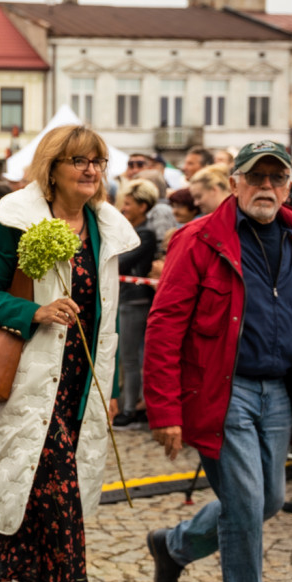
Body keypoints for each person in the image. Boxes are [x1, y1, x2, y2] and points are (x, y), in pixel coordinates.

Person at [0, 125, 136, 582]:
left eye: (98, 161)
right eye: (79, 160)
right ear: (53, 167)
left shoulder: (105, 229)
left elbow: (105, 320)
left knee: (52, 494)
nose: (91, 170)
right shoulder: (18, 218)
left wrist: (109, 389)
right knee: (61, 500)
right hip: (31, 381)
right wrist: (35, 311)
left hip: (83, 384)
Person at [144, 140, 292, 582]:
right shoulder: (201, 239)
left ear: (289, 186)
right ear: (235, 184)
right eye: (257, 178)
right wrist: (163, 410)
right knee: (248, 504)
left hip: (277, 393)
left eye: (278, 179)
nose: (267, 189)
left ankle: (174, 545)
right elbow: (163, 327)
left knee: (268, 499)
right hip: (221, 392)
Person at [114, 179, 159, 430]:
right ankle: (129, 403)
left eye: (128, 204)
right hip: (128, 298)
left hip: (135, 301)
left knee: (131, 358)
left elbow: (119, 262)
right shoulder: (133, 231)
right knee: (128, 358)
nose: (124, 208)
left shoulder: (145, 234)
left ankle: (131, 409)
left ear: (143, 206)